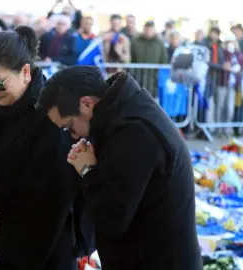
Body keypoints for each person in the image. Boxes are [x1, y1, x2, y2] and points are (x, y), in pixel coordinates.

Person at [37, 66, 203, 270]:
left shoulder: (133, 131)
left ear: (87, 104)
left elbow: (110, 219)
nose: (72, 135)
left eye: (68, 126)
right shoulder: (120, 112)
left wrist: (87, 170)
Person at [0, 26, 78, 270]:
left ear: (25, 72)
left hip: (38, 249)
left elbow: (50, 198)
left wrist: (5, 246)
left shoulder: (52, 115)